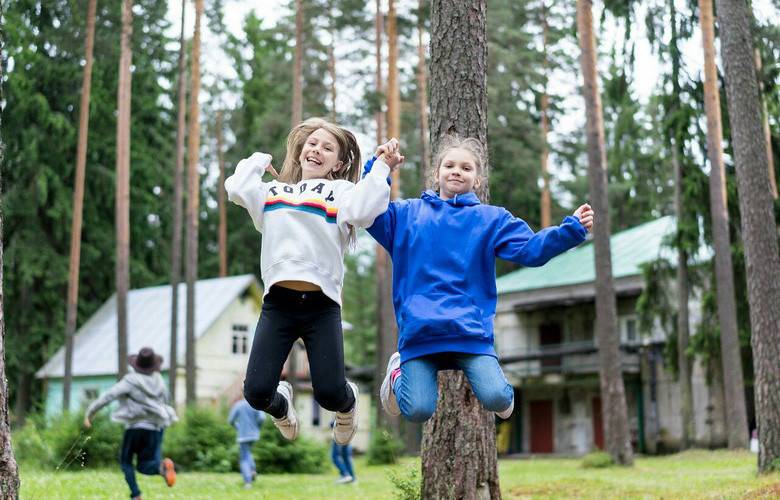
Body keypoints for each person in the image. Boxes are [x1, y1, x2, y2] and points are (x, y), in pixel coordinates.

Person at [367, 136, 594, 423]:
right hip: (420, 333)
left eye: (466, 167)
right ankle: (398, 371)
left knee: (499, 399)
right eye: (449, 165)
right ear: (436, 173)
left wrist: (571, 230)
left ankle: (495, 388)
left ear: (477, 180)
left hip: (469, 333)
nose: (456, 171)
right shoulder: (406, 215)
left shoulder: (492, 219)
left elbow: (531, 250)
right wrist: (377, 169)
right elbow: (370, 212)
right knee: (418, 410)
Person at [225, 117, 404, 445]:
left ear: (339, 162)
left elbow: (366, 210)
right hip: (278, 304)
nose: (317, 150)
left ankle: (347, 406)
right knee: (255, 392)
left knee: (330, 393)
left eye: (327, 147)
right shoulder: (273, 192)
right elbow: (236, 189)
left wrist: (381, 167)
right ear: (299, 151)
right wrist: (260, 161)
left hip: (321, 306)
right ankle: (282, 407)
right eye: (312, 143)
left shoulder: (340, 191)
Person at [83, 347, 177, 500]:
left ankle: (136, 494)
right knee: (145, 465)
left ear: (137, 364)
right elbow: (166, 401)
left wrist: (90, 413)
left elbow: (110, 395)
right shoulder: (159, 380)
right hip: (156, 426)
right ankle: (162, 468)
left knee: (126, 461)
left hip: (136, 426)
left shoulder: (131, 380)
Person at [228, 397, 266, 489]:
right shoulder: (256, 404)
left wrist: (238, 427)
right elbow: (262, 418)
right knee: (248, 452)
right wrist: (256, 427)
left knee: (244, 458)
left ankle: (247, 482)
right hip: (254, 435)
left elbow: (231, 420)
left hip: (243, 435)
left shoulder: (239, 405)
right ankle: (252, 470)